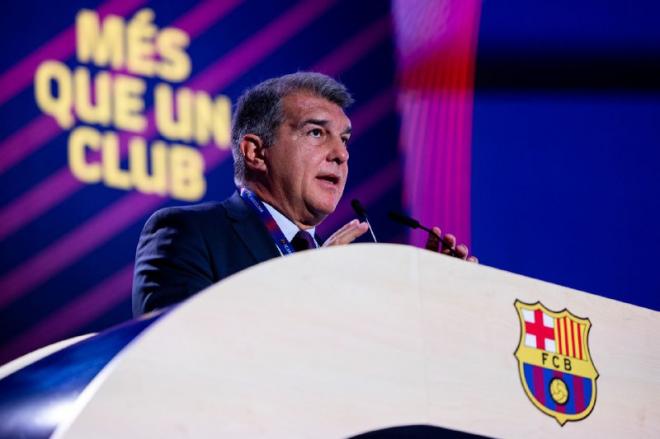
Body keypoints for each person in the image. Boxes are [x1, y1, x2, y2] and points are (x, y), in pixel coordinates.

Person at [132, 72, 474, 317]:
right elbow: (174, 353)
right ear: (255, 152)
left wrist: (433, 302)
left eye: (344, 139)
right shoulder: (187, 232)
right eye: (316, 132)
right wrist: (310, 287)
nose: (341, 154)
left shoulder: (347, 274)